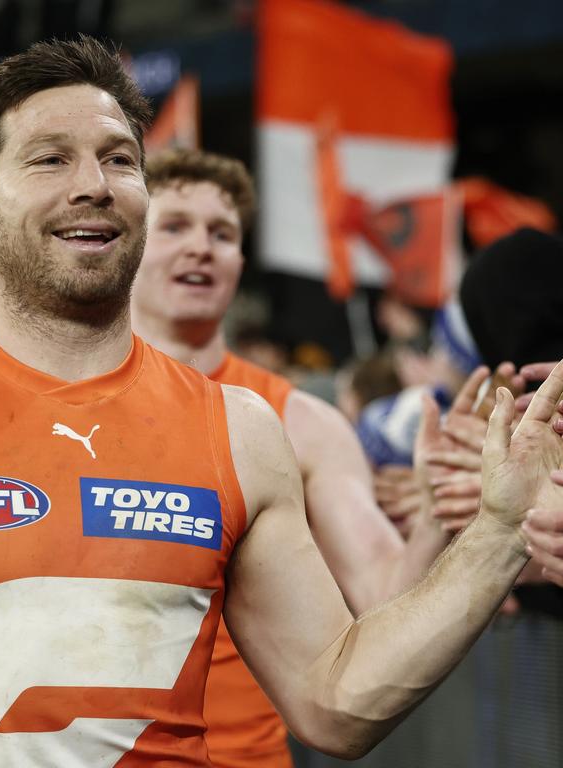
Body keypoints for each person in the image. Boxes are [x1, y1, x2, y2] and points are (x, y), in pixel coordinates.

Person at [0, 36, 563, 766]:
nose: (95, 184)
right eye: (50, 159)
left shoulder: (239, 431)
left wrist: (498, 533)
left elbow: (337, 700)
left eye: (120, 159)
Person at [129, 148, 451, 766]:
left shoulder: (302, 423)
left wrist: (438, 514)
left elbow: (383, 593)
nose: (202, 246)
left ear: (239, 261)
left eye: (222, 233)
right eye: (174, 226)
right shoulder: (62, 408)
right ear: (129, 245)